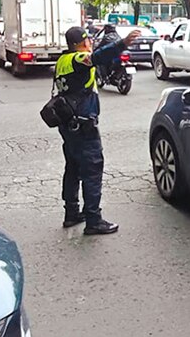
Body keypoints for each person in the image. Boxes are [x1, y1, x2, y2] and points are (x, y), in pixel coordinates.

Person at [54, 26, 142, 235]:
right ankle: (94, 220)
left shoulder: (62, 60)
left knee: (73, 169)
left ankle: (71, 213)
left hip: (68, 126)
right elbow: (98, 57)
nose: (89, 43)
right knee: (92, 171)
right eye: (87, 40)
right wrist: (123, 43)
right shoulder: (78, 59)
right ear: (79, 43)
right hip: (84, 127)